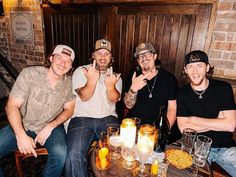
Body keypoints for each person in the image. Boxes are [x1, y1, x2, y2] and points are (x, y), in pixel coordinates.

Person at [0, 45, 76, 177]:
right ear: (51, 58)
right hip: (23, 123)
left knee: (60, 153)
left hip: (51, 125)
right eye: (59, 58)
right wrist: (21, 135)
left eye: (68, 61)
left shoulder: (68, 83)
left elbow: (69, 109)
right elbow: (11, 106)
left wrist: (51, 125)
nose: (63, 63)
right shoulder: (30, 74)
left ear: (70, 67)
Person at [65, 39, 122, 177]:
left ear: (111, 58)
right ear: (93, 56)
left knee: (117, 152)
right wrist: (91, 80)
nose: (102, 57)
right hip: (81, 119)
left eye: (106, 54)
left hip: (108, 118)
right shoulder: (82, 71)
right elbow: (84, 96)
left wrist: (110, 86)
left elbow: (113, 99)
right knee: (74, 154)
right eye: (99, 53)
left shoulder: (115, 76)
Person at [177, 50, 236, 176]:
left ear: (207, 68)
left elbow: (230, 125)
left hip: (226, 148)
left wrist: (192, 119)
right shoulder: (182, 94)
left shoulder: (223, 88)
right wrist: (219, 121)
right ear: (185, 70)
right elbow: (184, 129)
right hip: (197, 149)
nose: (195, 72)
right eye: (190, 67)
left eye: (200, 66)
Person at [124, 42, 179, 142]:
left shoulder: (169, 79)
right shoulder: (132, 77)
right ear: (138, 60)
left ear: (155, 56)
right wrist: (133, 89)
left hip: (156, 128)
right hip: (134, 127)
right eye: (140, 56)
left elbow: (172, 108)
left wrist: (163, 132)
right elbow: (128, 106)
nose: (144, 58)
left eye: (148, 54)